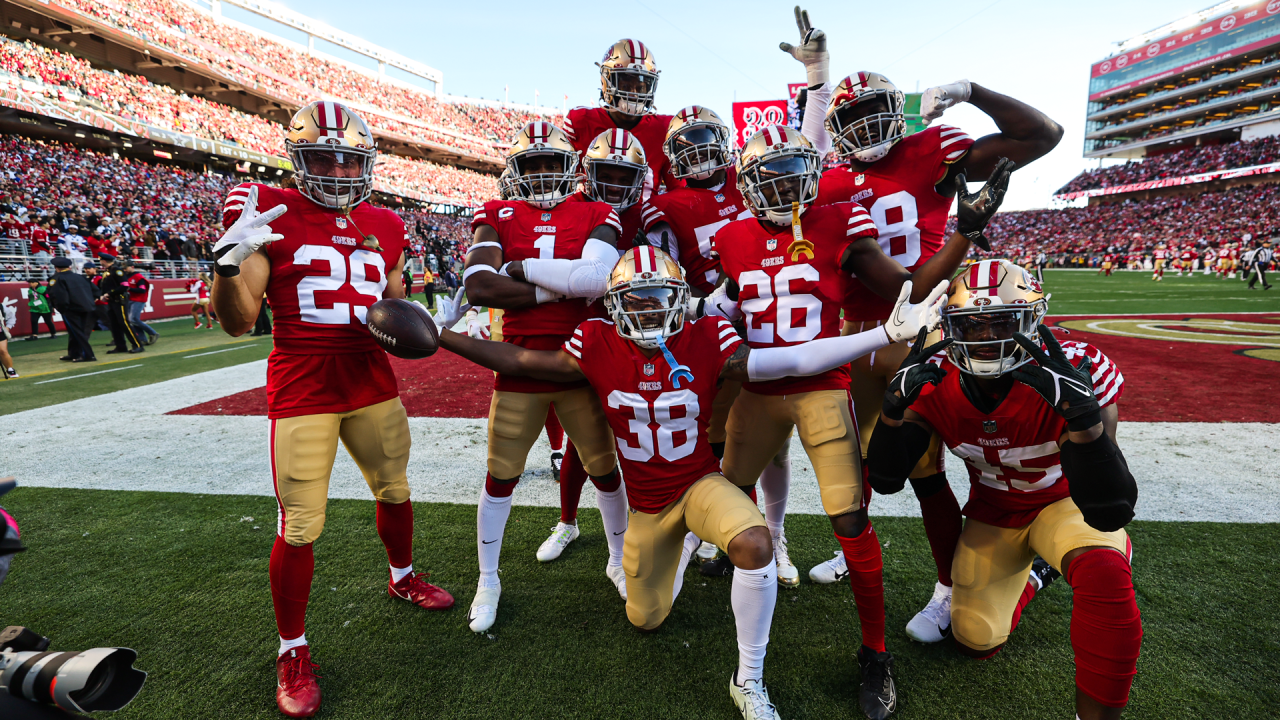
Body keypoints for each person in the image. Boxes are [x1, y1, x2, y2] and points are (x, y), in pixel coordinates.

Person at [434, 245, 947, 720]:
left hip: (700, 485)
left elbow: (788, 360)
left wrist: (883, 334)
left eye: (660, 300)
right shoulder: (593, 340)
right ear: (614, 304)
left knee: (753, 543)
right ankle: (675, 556)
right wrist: (442, 336)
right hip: (648, 510)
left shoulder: (706, 336)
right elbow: (523, 361)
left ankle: (748, 679)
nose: (649, 312)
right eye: (636, 301)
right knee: (645, 618)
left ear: (680, 301)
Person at [707, 123, 1005, 720]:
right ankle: (731, 584)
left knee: (850, 517)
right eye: (773, 176)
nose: (788, 187)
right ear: (747, 182)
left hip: (822, 388)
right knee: (726, 496)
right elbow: (722, 301)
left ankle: (875, 654)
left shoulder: (839, 219)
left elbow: (904, 289)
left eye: (796, 172)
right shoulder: (731, 237)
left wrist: (962, 237)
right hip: (758, 393)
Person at [785, 7, 1062, 649]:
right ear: (837, 131)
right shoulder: (826, 180)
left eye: (875, 112)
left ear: (900, 111)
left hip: (926, 329)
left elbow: (1041, 134)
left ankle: (947, 587)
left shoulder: (930, 149)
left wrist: (970, 90)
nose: (868, 128)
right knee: (864, 455)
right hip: (862, 327)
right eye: (849, 120)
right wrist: (817, 79)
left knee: (931, 465)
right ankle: (857, 547)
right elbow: (805, 158)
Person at [210, 100, 453, 719]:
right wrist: (227, 263)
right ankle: (292, 649)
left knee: (396, 490)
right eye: (324, 157)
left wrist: (424, 317)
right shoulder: (269, 210)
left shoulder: (388, 223)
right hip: (304, 386)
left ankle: (402, 577)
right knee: (300, 525)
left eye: (350, 160)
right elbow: (239, 323)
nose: (339, 171)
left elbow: (395, 307)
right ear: (297, 159)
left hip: (371, 381)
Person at [866, 259, 1141, 720]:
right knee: (975, 640)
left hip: (1067, 506)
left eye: (1002, 322)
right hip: (993, 513)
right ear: (948, 328)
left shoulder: (1076, 368)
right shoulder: (932, 376)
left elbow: (1110, 507)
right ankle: (1034, 576)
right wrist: (892, 413)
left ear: (1032, 320)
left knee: (1104, 572)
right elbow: (887, 480)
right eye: (971, 324)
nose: (986, 336)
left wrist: (1085, 424)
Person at [461, 120, 628, 629]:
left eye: (549, 162)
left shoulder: (598, 212)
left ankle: (618, 561)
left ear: (569, 167)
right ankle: (488, 578)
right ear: (515, 171)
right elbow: (480, 287)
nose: (539, 172)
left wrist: (524, 270)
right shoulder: (497, 213)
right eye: (529, 164)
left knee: (604, 469)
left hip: (582, 365)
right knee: (499, 477)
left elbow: (597, 282)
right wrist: (560, 288)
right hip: (518, 366)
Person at [564, 40, 680, 197]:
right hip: (593, 218)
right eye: (625, 86)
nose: (633, 94)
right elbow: (562, 185)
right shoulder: (580, 121)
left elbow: (679, 193)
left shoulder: (665, 129)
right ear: (606, 82)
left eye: (640, 88)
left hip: (644, 219)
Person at [45, 256, 96, 362]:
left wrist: (61, 309)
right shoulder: (80, 277)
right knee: (76, 331)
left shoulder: (57, 279)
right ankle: (74, 353)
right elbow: (95, 290)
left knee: (77, 332)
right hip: (87, 307)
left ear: (56, 267)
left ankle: (88, 354)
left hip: (71, 309)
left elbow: (59, 296)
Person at [98, 254, 143, 355]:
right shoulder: (108, 272)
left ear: (104, 261)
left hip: (119, 300)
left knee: (124, 323)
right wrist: (104, 295)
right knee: (114, 324)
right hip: (112, 300)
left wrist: (109, 293)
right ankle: (120, 346)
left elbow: (124, 286)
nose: (100, 262)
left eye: (101, 260)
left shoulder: (117, 271)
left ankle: (137, 344)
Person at [122, 261, 159, 345]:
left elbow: (142, 290)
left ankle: (152, 333)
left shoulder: (138, 277)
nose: (125, 270)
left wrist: (129, 289)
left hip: (139, 299)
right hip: (130, 299)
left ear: (132, 267)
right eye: (123, 268)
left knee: (133, 319)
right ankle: (142, 339)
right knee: (133, 320)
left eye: (126, 268)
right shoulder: (126, 276)